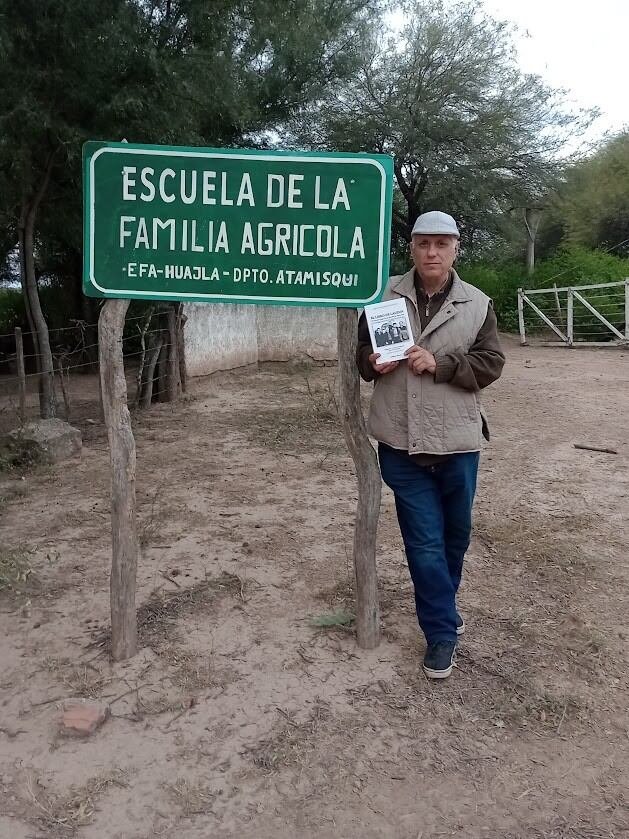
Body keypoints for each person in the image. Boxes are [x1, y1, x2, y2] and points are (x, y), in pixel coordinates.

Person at [356, 210, 505, 679]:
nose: (432, 252)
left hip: (457, 443)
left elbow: (491, 363)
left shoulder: (478, 304)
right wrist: (372, 362)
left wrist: (439, 364)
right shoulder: (381, 298)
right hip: (401, 443)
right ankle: (441, 632)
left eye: (442, 243)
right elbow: (362, 353)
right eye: (424, 243)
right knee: (423, 543)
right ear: (413, 248)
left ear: (456, 248)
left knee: (454, 539)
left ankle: (442, 605)